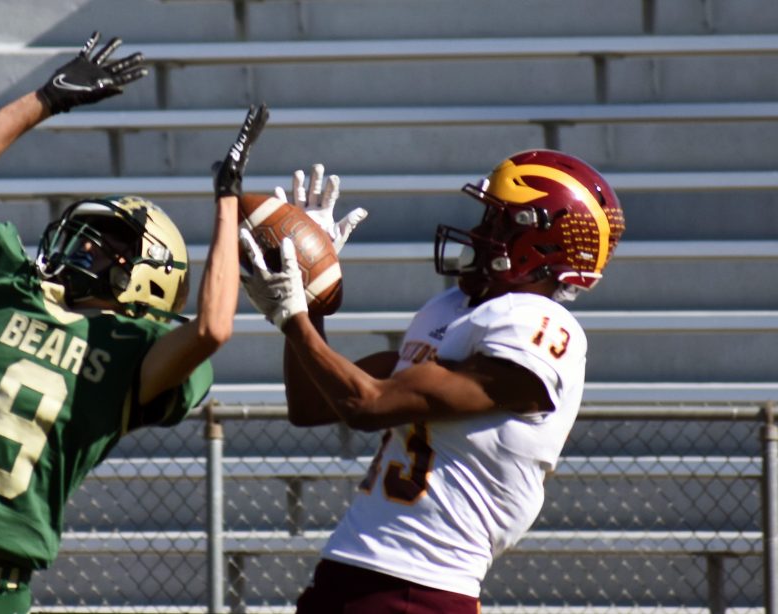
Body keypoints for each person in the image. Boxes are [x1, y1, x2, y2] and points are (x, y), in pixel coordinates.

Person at [0, 31, 269, 613]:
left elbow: (214, 328)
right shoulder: (3, 286)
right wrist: (47, 98)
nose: (86, 248)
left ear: (149, 278)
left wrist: (228, 196)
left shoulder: (134, 354)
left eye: (108, 247)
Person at [240, 152, 626, 613]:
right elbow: (311, 404)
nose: (483, 233)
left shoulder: (540, 327)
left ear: (538, 242)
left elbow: (367, 405)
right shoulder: (452, 309)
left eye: (500, 223)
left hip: (419, 588)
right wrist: (309, 295)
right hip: (345, 569)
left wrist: (294, 318)